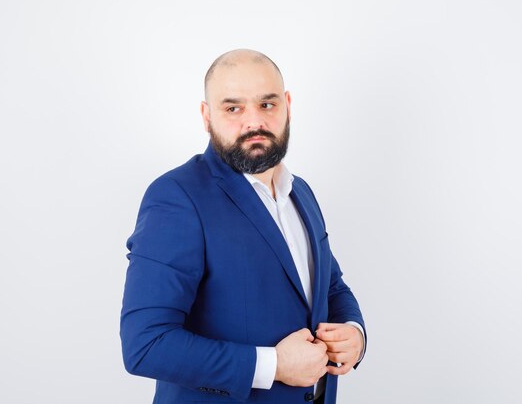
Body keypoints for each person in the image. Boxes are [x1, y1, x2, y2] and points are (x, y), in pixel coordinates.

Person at [120, 49, 366, 404]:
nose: (254, 122)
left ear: (287, 106)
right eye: (233, 108)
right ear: (206, 116)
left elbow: (330, 286)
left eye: (267, 105)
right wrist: (273, 366)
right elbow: (146, 344)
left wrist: (355, 335)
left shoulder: (301, 193)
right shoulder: (176, 198)